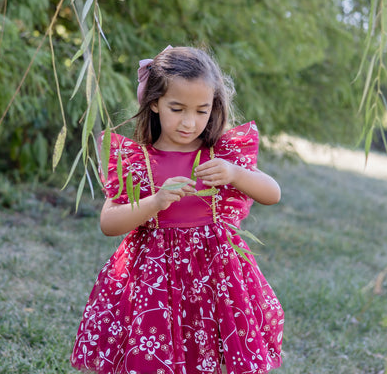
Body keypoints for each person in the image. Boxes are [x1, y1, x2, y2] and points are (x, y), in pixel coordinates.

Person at [71, 46, 284, 374]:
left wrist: (236, 173)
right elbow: (109, 222)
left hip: (214, 275)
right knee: (156, 351)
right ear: (154, 102)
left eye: (201, 110)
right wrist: (154, 202)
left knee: (208, 350)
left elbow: (273, 193)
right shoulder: (137, 162)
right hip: (155, 279)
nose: (189, 122)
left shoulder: (220, 156)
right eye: (177, 108)